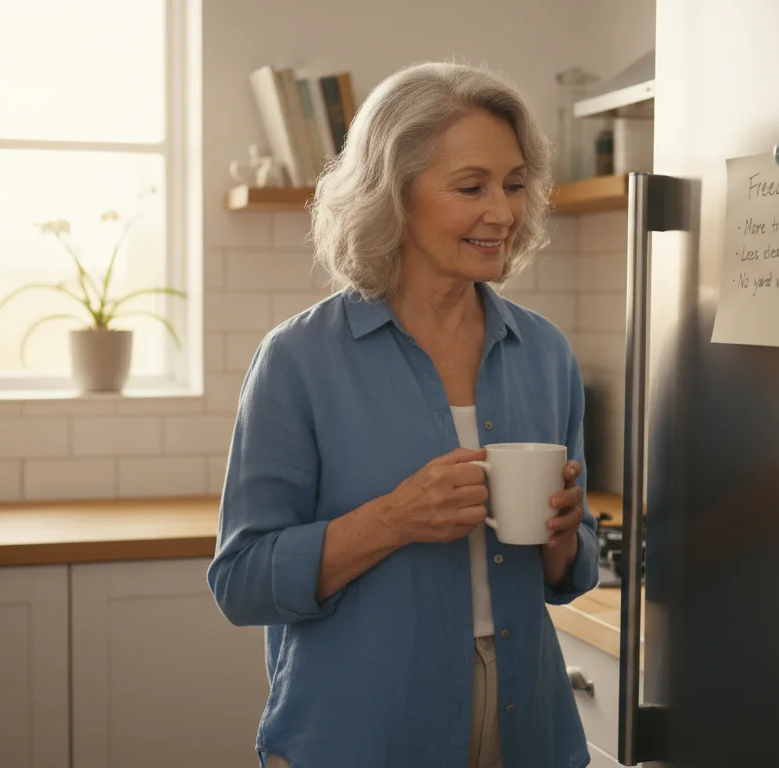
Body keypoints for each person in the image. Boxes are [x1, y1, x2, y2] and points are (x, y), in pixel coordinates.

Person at [207, 60, 600, 768]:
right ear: (393, 194)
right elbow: (241, 580)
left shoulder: (543, 352)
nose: (503, 213)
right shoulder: (299, 360)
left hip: (529, 723)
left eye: (514, 185)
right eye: (470, 187)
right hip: (363, 729)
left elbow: (567, 573)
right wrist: (393, 520)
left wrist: (563, 537)